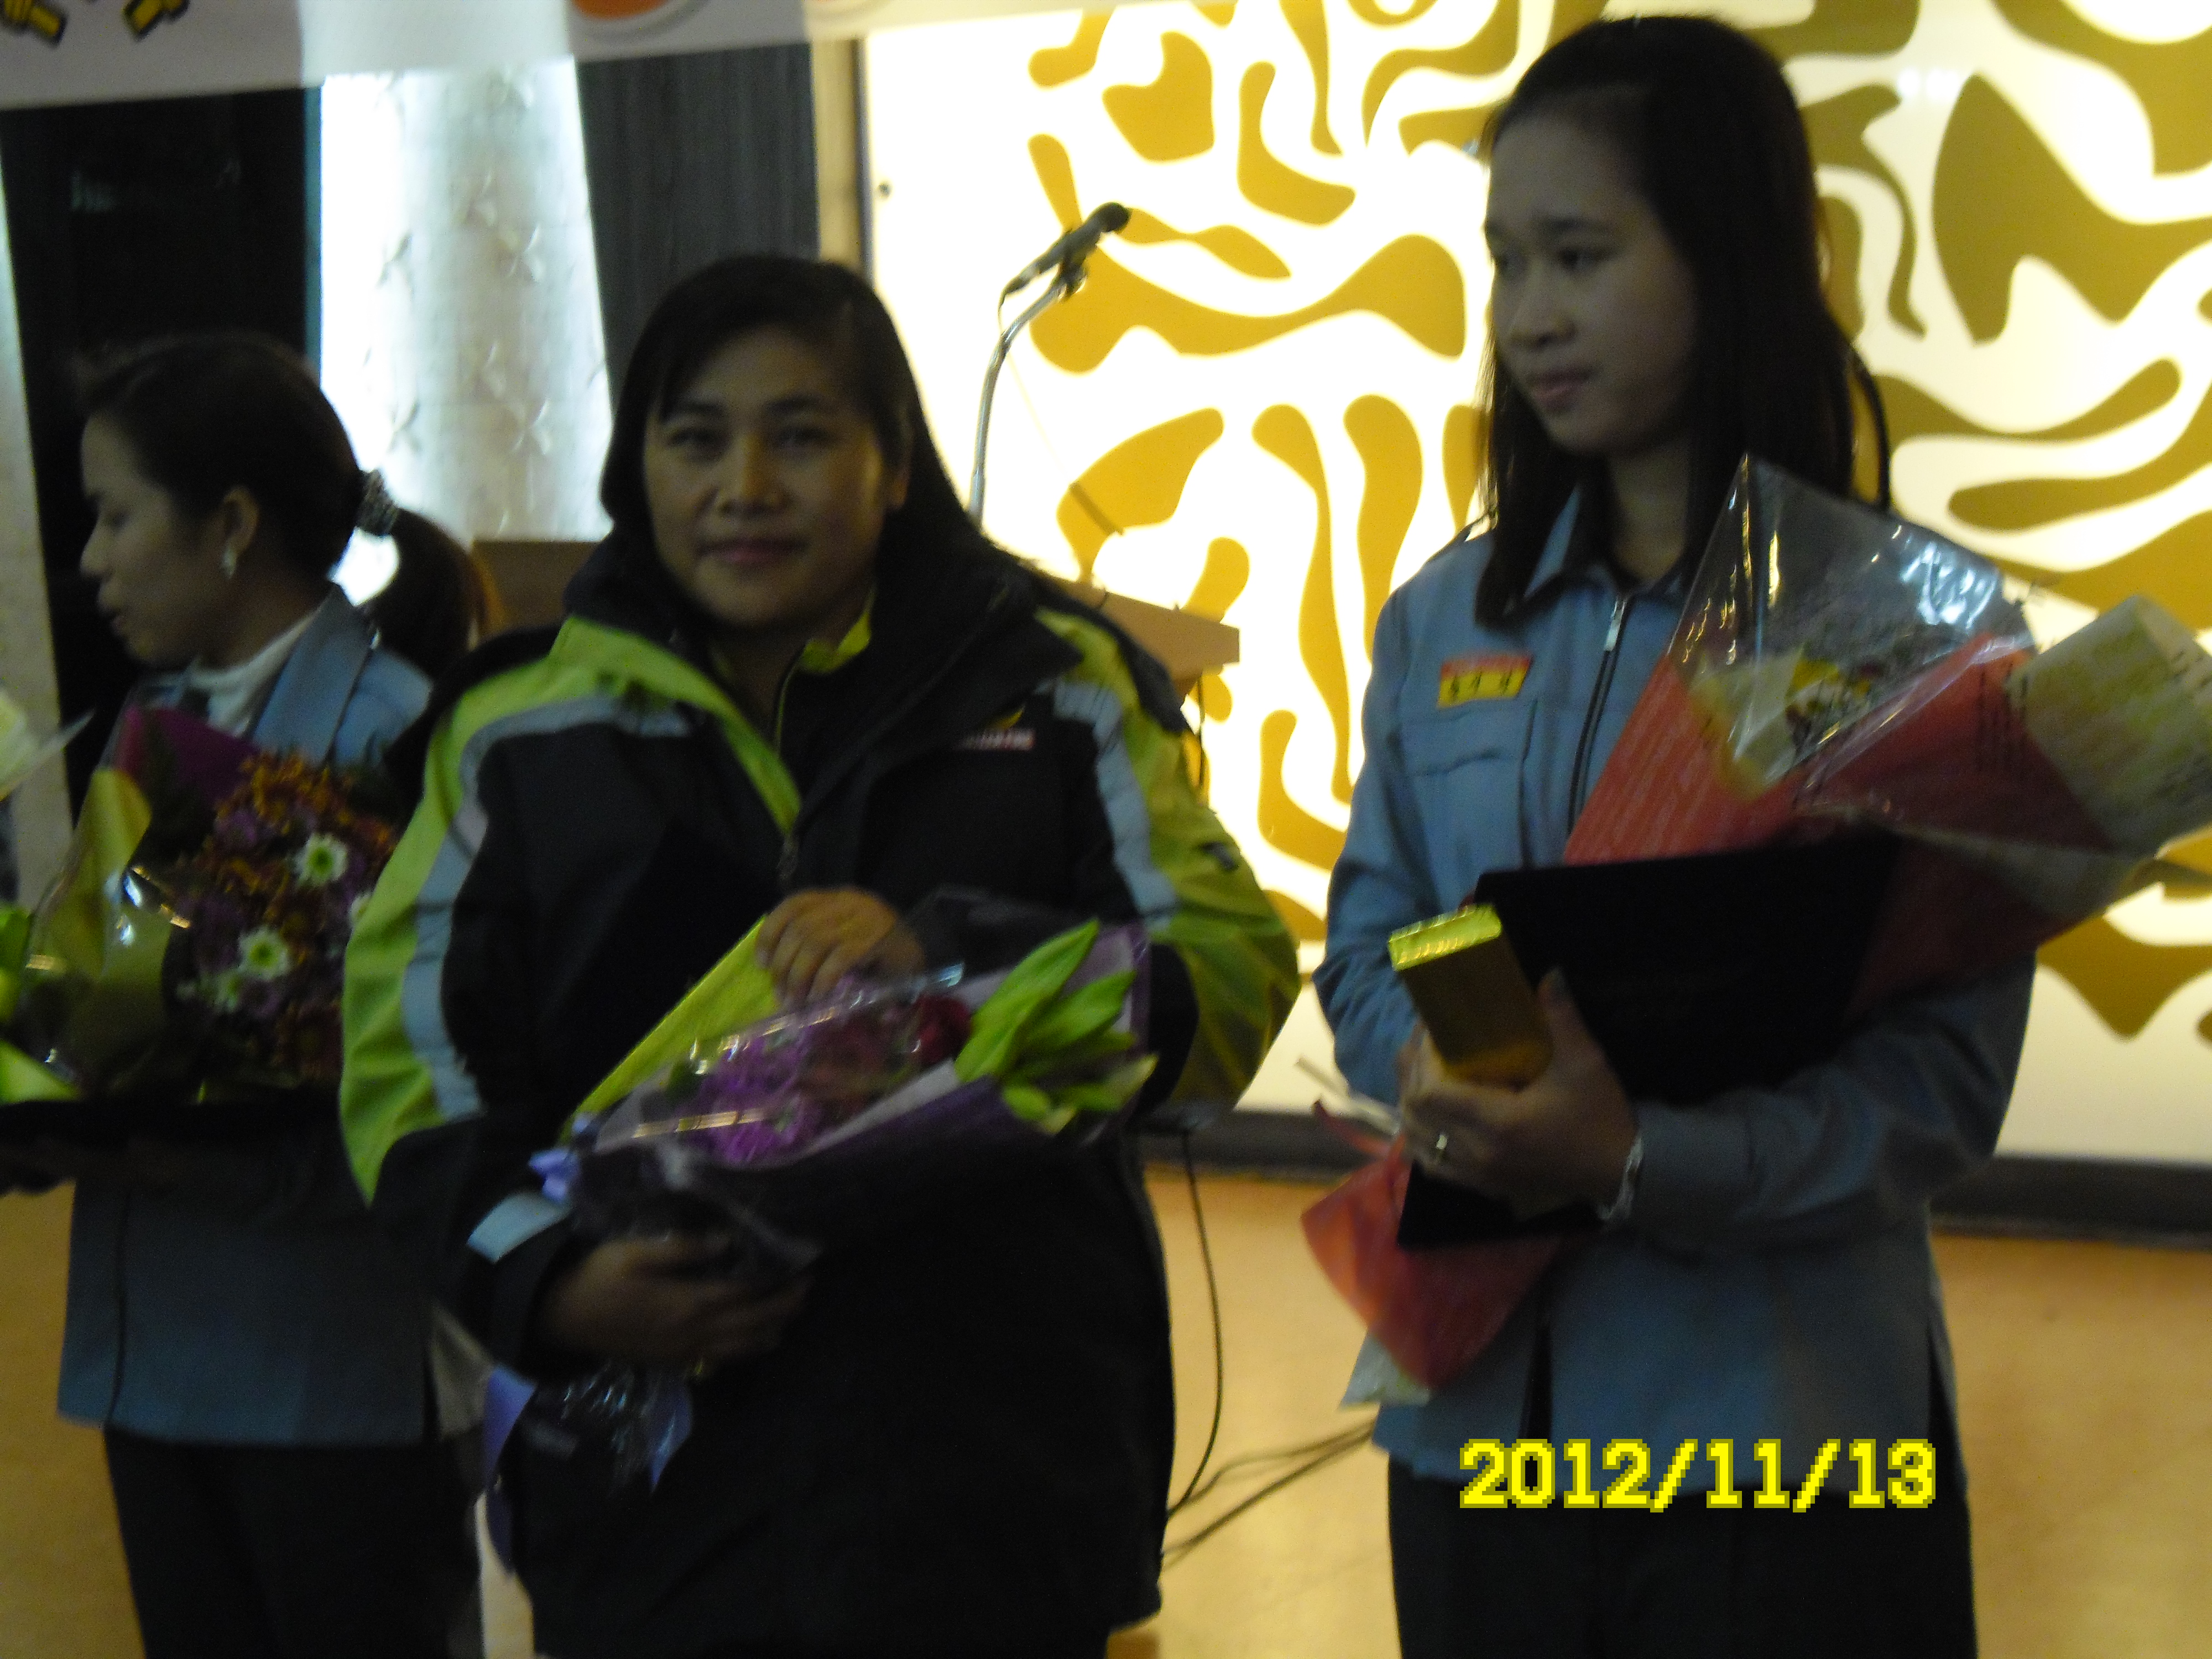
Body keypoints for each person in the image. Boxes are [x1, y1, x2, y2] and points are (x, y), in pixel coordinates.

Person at [340, 253, 1298, 1659]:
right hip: (654, 1488)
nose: (744, 486)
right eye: (695, 439)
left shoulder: (1050, 686)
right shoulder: (519, 730)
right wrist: (550, 1284)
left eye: (799, 437)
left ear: (893, 466)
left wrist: (955, 968)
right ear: (637, 469)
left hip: (998, 1461)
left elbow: (1225, 976)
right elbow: (406, 1068)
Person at [1315, 19, 2031, 1658]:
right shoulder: (1445, 617)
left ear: (1731, 254)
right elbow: (1373, 933)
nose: (1529, 316)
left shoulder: (1906, 630)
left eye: (1578, 255)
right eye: (1506, 263)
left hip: (1783, 1436)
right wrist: (1436, 1065)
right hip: (1477, 1426)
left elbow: (1939, 1079)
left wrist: (1636, 1160)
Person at [0, 332, 490, 1659]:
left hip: (335, 1378)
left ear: (229, 525)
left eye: (115, 518)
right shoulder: (146, 725)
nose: (91, 559)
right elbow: (102, 1014)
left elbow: (451, 1087)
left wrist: (196, 1156)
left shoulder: (401, 734)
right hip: (153, 1363)